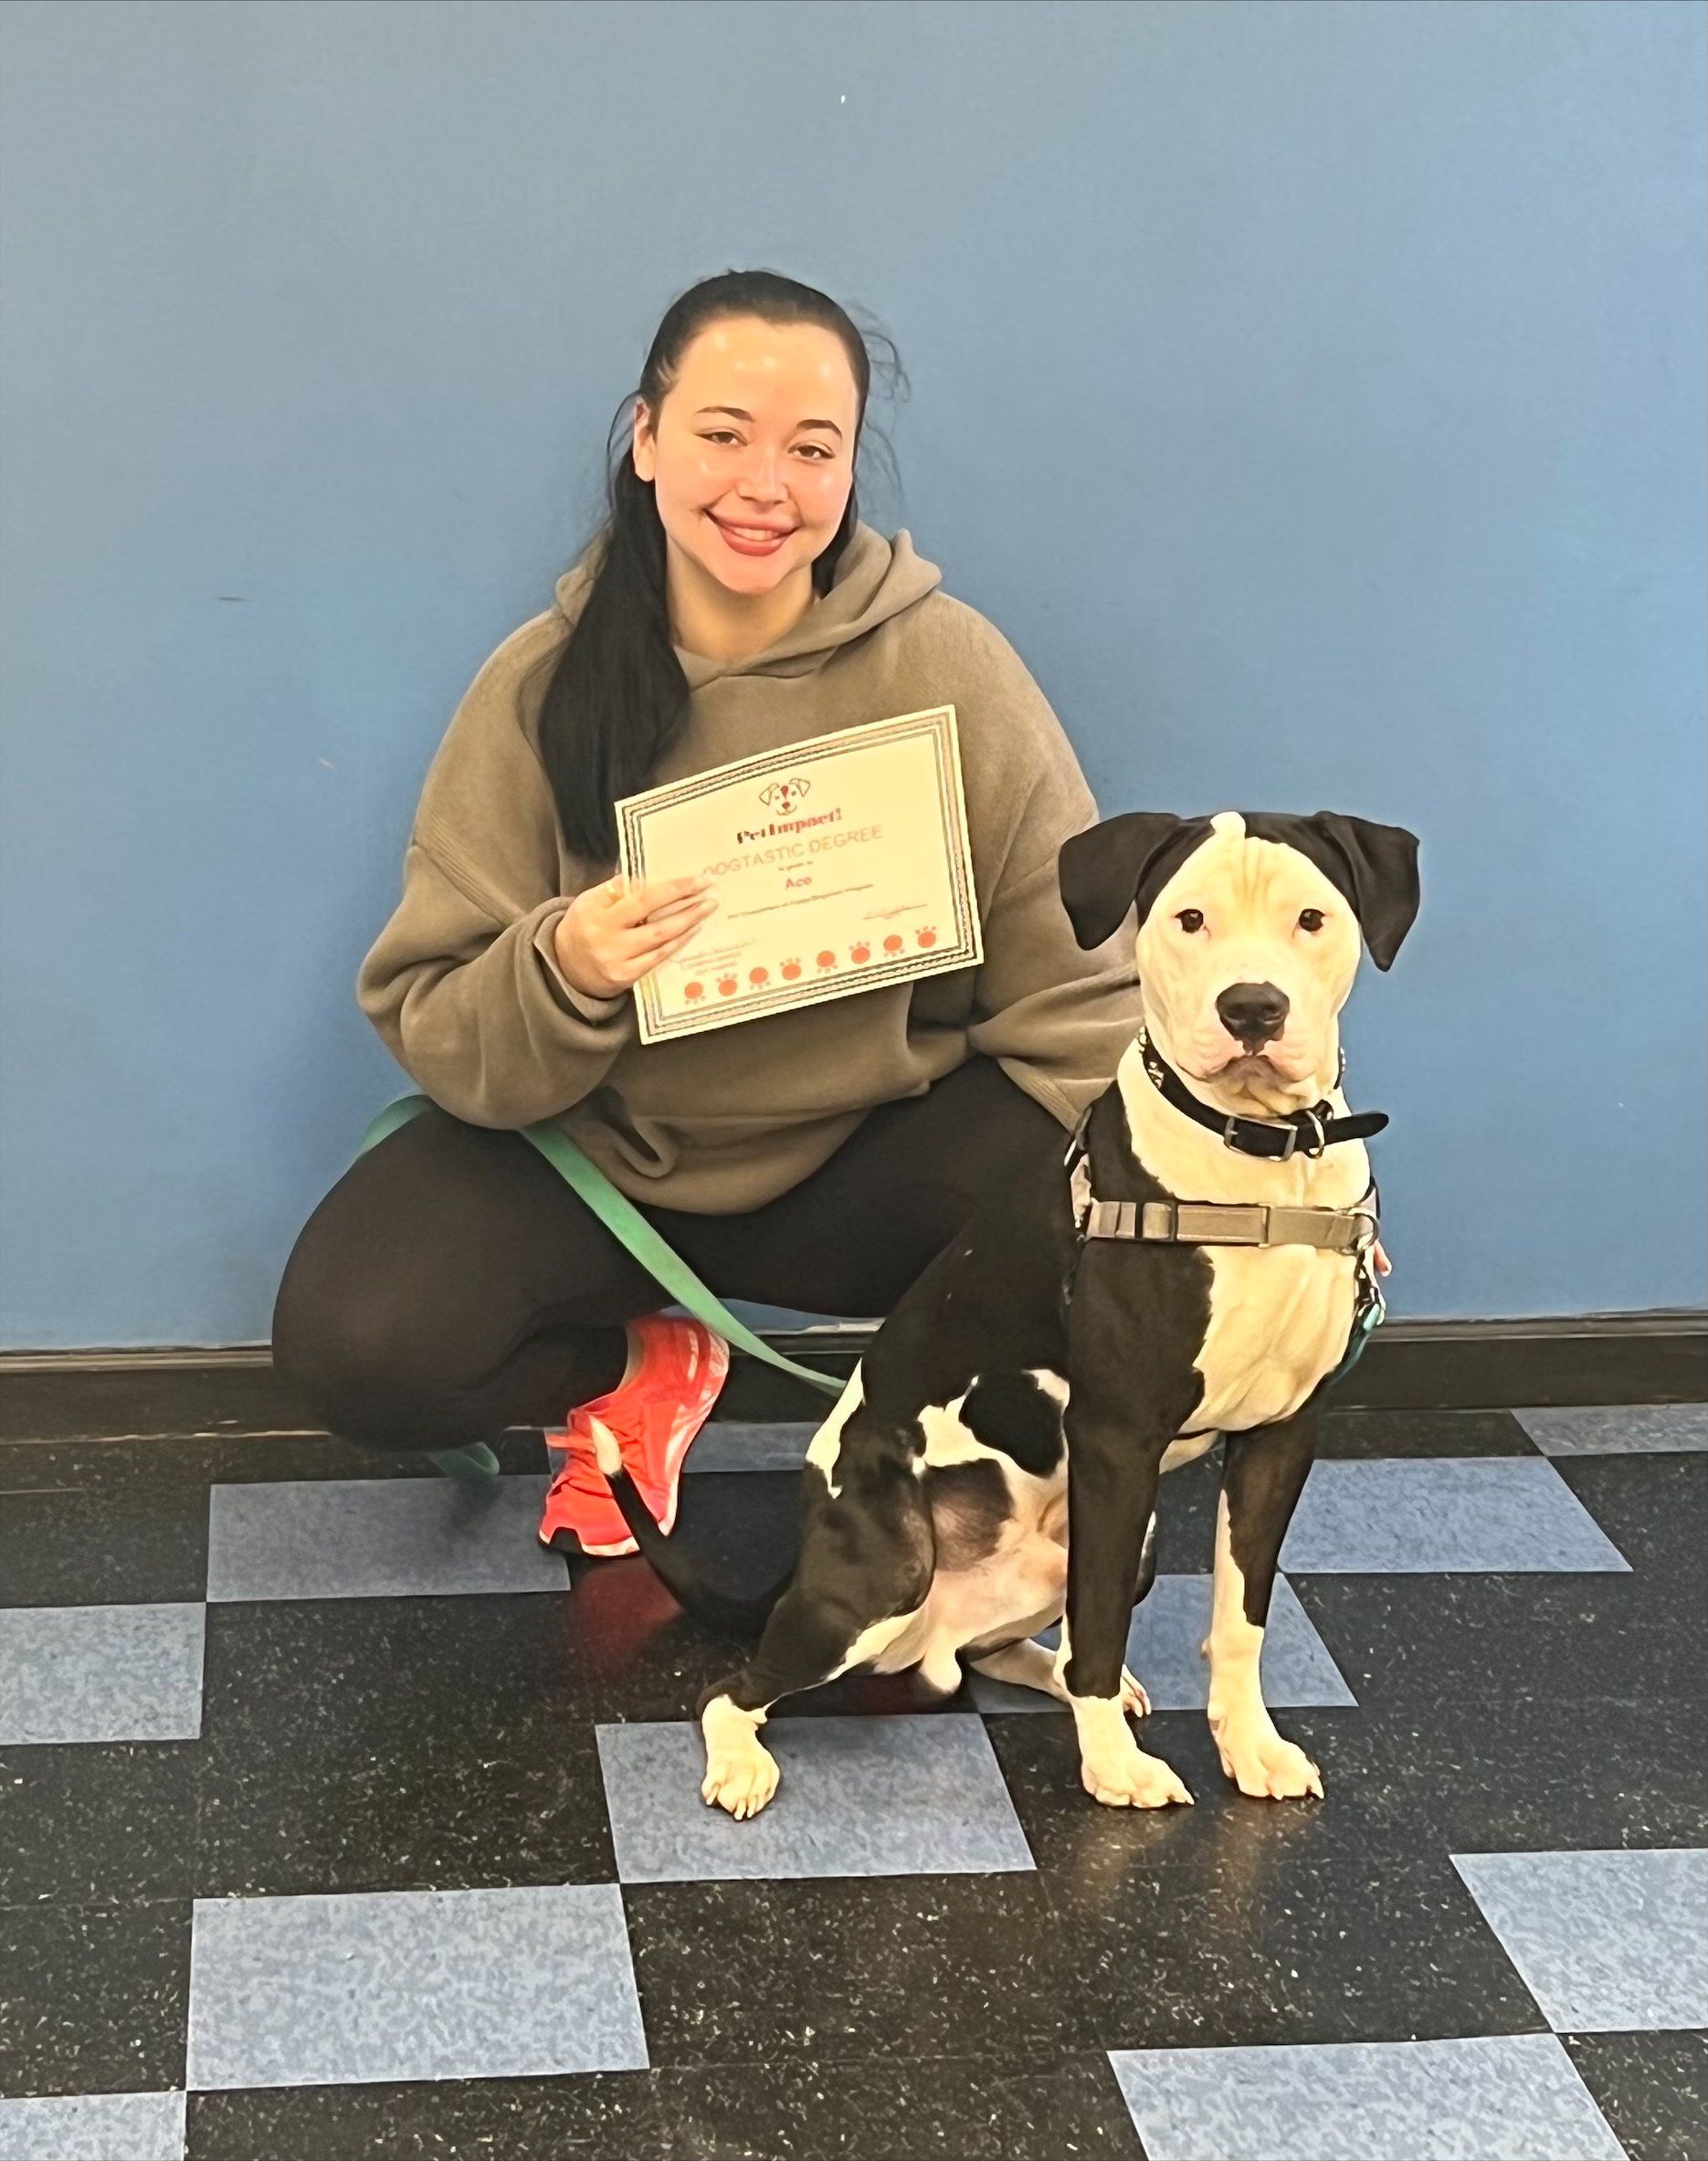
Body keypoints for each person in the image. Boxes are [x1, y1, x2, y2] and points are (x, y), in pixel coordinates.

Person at [270, 269, 1144, 1559]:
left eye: (812, 448)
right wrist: (561, 965)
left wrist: (1208, 1192)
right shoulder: (542, 683)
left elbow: (1079, 993)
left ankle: (951, 1477)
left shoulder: (947, 665)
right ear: (644, 440)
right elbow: (433, 1007)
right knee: (360, 1345)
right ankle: (639, 1368)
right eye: (722, 434)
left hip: (868, 1162)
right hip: (603, 1162)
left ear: (852, 467)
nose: (764, 486)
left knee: (1095, 1198)